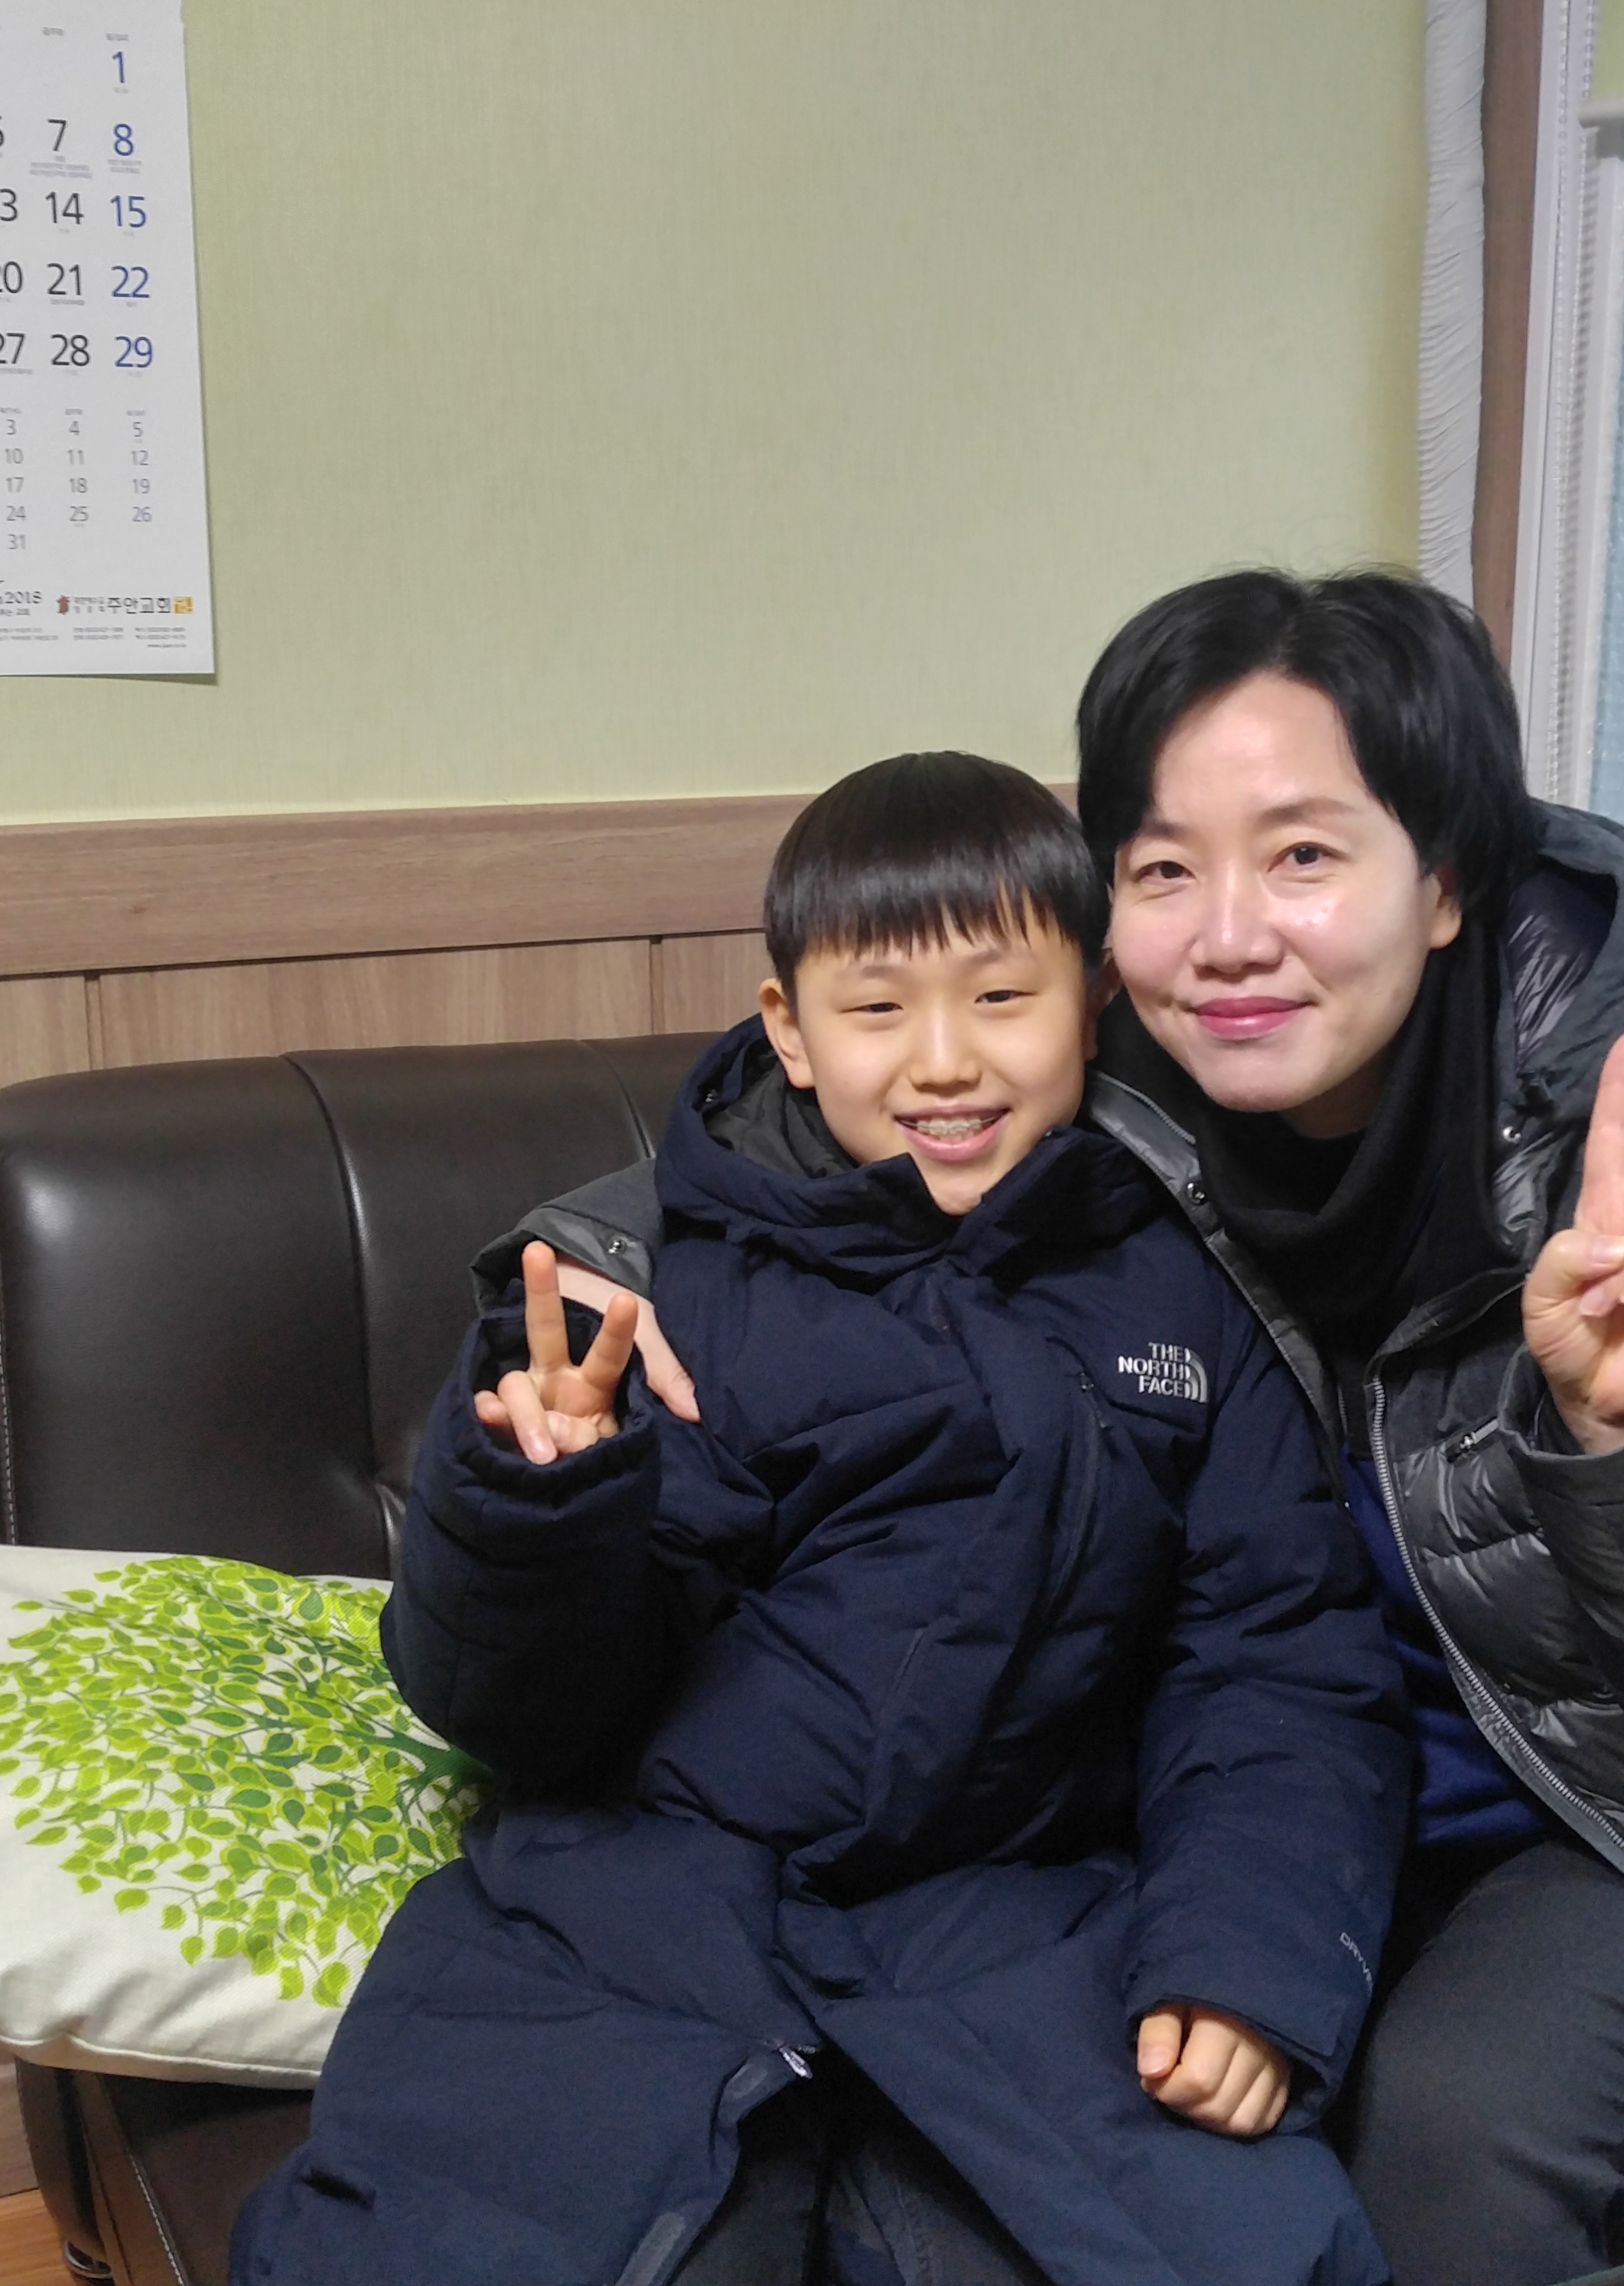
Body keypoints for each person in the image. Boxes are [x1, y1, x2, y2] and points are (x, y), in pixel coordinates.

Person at [533, 572, 1624, 2285]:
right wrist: (591, 1268)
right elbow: (834, 1117)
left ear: (1442, 880)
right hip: (1275, 1792)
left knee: (1440, 2145)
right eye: (1165, 871)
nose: (1229, 936)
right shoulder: (1135, 1087)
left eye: (1303, 856)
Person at [234, 752, 1410, 2286]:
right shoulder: (641, 1290)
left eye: (1003, 999)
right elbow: (515, 1708)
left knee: (1235, 2252)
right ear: (789, 1030)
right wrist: (542, 1498)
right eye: (877, 1010)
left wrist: (1246, 1962)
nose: (945, 1062)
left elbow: (1277, 1654)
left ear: (1093, 1003)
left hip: (1021, 1925)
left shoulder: (1179, 1285)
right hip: (641, 1900)